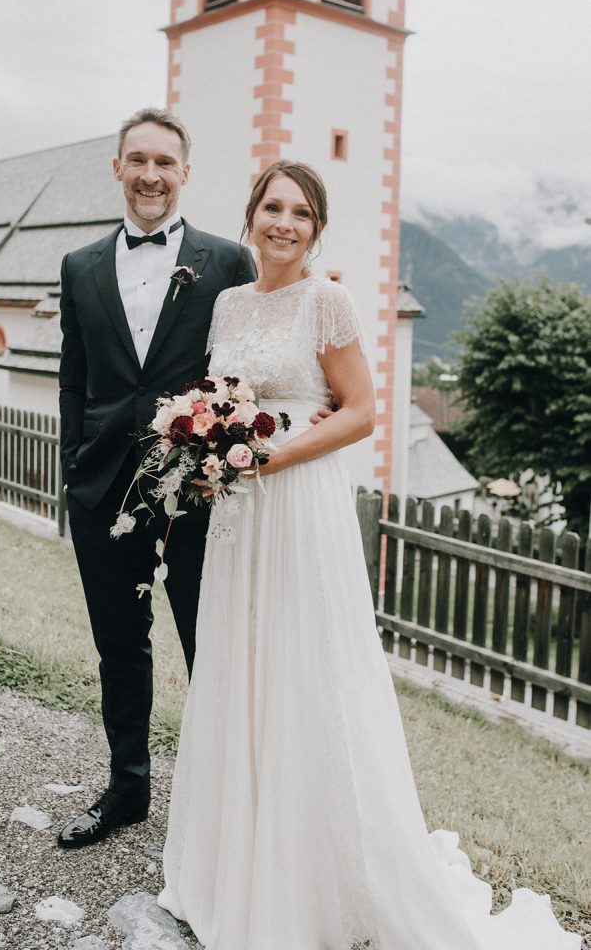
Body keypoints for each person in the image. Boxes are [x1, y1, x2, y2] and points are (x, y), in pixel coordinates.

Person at [157, 162, 580, 950]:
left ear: (317, 228)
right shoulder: (227, 301)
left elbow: (360, 414)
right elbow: (222, 391)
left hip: (295, 500)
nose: (284, 223)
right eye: (273, 207)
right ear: (251, 216)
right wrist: (206, 437)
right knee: (238, 661)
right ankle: (231, 864)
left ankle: (308, 878)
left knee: (302, 664)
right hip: (238, 512)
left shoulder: (329, 300)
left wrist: (266, 457)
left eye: (302, 212)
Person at [56, 108, 256, 849]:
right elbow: (73, 378)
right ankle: (127, 790)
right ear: (117, 167)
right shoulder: (79, 265)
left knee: (209, 642)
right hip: (101, 486)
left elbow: (241, 373)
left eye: (163, 163)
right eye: (136, 160)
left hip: (196, 492)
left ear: (184, 173)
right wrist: (75, 466)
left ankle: (218, 807)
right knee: (120, 646)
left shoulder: (226, 261)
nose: (149, 175)